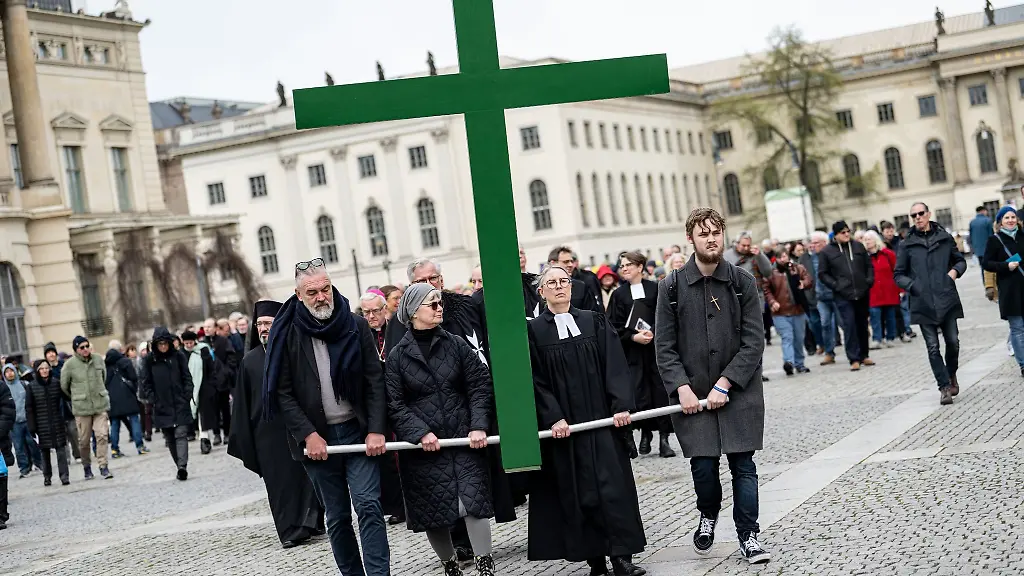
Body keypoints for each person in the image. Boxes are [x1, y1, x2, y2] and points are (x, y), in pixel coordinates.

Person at [655, 208, 770, 564]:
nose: (711, 239)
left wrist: (726, 382)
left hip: (739, 393)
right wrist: (681, 387)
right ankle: (708, 513)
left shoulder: (742, 282)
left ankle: (748, 535)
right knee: (703, 467)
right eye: (703, 233)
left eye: (716, 232)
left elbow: (754, 342)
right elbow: (664, 347)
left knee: (743, 465)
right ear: (691, 238)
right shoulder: (671, 286)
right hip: (693, 395)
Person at [267, 258, 390, 576]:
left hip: (357, 432)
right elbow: (282, 392)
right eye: (312, 293)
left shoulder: (354, 324)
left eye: (325, 289)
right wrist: (308, 434)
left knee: (368, 506)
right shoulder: (288, 334)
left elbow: (374, 380)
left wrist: (376, 429)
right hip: (317, 440)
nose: (321, 297)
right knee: (336, 516)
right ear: (298, 296)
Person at [526, 265, 647, 576]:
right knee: (581, 493)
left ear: (572, 285)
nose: (558, 287)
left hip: (602, 422)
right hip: (567, 430)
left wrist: (621, 405)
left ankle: (622, 558)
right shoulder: (535, 331)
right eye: (550, 283)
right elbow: (535, 380)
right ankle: (595, 560)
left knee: (613, 490)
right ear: (541, 292)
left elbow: (614, 364)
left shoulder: (592, 320)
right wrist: (553, 417)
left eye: (563, 281)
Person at [385, 283, 496, 576]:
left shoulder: (456, 344)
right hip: (424, 450)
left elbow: (480, 385)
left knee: (473, 503)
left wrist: (478, 425)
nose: (439, 309)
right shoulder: (397, 356)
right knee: (434, 512)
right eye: (432, 304)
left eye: (439, 303)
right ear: (412, 311)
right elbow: (394, 404)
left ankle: (486, 566)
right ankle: (450, 567)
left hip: (462, 439)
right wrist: (420, 432)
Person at [228, 300, 325, 548]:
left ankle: (312, 522)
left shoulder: (294, 351)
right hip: (267, 436)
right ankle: (290, 530)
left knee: (306, 480)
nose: (263, 328)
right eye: (259, 324)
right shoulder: (249, 361)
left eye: (268, 323)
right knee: (280, 484)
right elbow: (242, 405)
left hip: (298, 428)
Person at [893, 203, 967, 404]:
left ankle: (951, 374)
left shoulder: (944, 238)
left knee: (953, 342)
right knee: (933, 347)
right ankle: (944, 387)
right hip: (922, 302)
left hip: (946, 298)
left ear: (928, 214)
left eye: (920, 213)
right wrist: (913, 286)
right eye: (913, 215)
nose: (917, 217)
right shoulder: (906, 244)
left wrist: (953, 274)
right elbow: (898, 275)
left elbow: (960, 261)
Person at [608, 250, 675, 459]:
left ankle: (664, 438)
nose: (624, 268)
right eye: (622, 265)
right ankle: (645, 433)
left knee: (660, 392)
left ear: (640, 267)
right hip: (633, 355)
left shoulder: (656, 289)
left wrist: (654, 331)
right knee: (639, 394)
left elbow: (666, 315)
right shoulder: (619, 295)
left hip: (656, 352)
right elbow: (613, 325)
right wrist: (632, 337)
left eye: (628, 265)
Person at [359, 290, 406, 526]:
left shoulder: (397, 329)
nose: (371, 316)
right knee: (386, 456)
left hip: (402, 398)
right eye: (365, 312)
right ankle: (396, 506)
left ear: (385, 309)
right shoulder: (360, 334)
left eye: (375, 311)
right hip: (377, 404)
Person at [819, 221, 875, 371]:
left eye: (847, 231)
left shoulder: (858, 246)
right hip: (843, 295)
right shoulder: (827, 252)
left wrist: (869, 280)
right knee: (849, 325)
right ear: (836, 235)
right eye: (843, 232)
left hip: (861, 291)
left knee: (862, 324)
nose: (846, 234)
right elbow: (823, 274)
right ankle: (854, 358)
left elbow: (868, 265)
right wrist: (836, 285)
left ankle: (864, 354)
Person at [140, 327, 195, 480]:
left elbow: (187, 377)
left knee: (181, 434)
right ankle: (179, 465)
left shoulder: (178, 357)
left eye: (165, 343)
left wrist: (187, 395)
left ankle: (183, 466)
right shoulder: (149, 360)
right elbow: (146, 382)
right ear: (156, 345)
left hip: (179, 402)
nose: (163, 347)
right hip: (161, 404)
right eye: (160, 344)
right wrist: (153, 399)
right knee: (170, 437)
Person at [60, 336, 113, 480]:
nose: (85, 349)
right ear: (76, 349)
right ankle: (87, 466)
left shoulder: (97, 359)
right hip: (82, 407)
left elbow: (104, 376)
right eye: (81, 347)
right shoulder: (69, 365)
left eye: (86, 346)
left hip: (99, 404)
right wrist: (77, 396)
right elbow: (64, 386)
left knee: (102, 435)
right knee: (83, 440)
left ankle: (103, 466)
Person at [984, 206, 1024, 377]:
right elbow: (987, 263)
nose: (1010, 220)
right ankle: (1023, 364)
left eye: (1013, 217)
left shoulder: (1023, 236)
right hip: (1010, 291)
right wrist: (1005, 266)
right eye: (1006, 217)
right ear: (1000, 221)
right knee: (1017, 328)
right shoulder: (995, 240)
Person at [724, 233, 774, 368]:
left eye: (748, 245)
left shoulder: (756, 255)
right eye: (743, 245)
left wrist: (760, 256)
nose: (746, 248)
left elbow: (768, 272)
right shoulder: (727, 256)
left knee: (756, 337)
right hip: (734, 302)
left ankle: (758, 369)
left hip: (755, 300)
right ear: (737, 243)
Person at [763, 248, 813, 376]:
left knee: (798, 338)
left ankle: (800, 364)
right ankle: (789, 362)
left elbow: (808, 279)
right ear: (776, 259)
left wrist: (804, 283)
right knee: (787, 337)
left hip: (798, 310)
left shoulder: (797, 268)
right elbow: (766, 288)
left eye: (785, 256)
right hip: (780, 312)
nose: (783, 259)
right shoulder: (771, 272)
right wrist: (772, 302)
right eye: (780, 257)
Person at [25, 360, 70, 486]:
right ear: (37, 371)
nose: (45, 370)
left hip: (57, 422)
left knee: (61, 449)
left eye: (46, 368)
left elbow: (66, 397)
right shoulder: (31, 386)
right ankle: (47, 476)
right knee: (44, 452)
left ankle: (64, 476)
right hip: (41, 424)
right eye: (41, 368)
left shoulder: (56, 383)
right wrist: (32, 426)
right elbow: (29, 408)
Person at [104, 341, 148, 458]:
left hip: (113, 398)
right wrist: (134, 390)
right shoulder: (125, 361)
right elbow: (134, 377)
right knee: (134, 419)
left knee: (114, 424)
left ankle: (114, 449)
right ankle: (140, 446)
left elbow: (105, 382)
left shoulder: (105, 364)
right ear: (120, 349)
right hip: (127, 395)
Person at [862, 231, 901, 350]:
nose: (867, 241)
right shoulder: (864, 257)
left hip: (889, 289)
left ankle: (890, 337)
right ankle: (877, 338)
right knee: (875, 315)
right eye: (865, 239)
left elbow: (897, 271)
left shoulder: (888, 254)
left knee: (890, 315)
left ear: (876, 240)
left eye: (870, 239)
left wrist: (901, 289)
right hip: (873, 291)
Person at [4, 362, 42, 477]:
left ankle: (39, 463)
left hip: (27, 419)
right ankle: (24, 468)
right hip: (14, 423)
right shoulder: (4, 389)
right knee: (19, 446)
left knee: (32, 443)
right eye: (7, 372)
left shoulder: (24, 384)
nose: (10, 374)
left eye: (11, 371)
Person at [181, 330, 216, 454]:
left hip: (204, 386)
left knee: (203, 415)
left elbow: (211, 368)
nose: (189, 345)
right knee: (192, 414)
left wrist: (212, 385)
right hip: (188, 388)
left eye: (191, 343)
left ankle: (204, 438)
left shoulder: (203, 350)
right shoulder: (181, 354)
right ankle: (194, 434)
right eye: (186, 343)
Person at [548, 247, 604, 313]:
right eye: (566, 262)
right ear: (553, 263)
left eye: (572, 261)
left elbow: (594, 312)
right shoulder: (543, 287)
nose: (571, 265)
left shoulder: (582, 286)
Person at [210, 319, 239, 446]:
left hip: (223, 381)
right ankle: (216, 434)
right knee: (213, 410)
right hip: (209, 383)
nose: (207, 329)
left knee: (225, 408)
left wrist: (226, 372)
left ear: (215, 328)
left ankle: (227, 433)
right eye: (205, 327)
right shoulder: (202, 343)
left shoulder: (223, 341)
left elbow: (231, 358)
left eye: (209, 327)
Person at [0, 378, 14, 529]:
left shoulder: (2, 388)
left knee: (0, 477)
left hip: (0, 439)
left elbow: (8, 413)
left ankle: (1, 514)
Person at [969, 206, 994, 283]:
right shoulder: (988, 220)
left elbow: (971, 237)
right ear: (983, 211)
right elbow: (991, 236)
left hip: (978, 250)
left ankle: (986, 284)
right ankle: (991, 283)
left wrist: (973, 249)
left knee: (983, 267)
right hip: (989, 248)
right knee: (992, 267)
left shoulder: (972, 222)